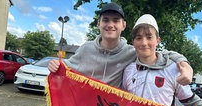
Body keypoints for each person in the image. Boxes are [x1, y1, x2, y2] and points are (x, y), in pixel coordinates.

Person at [48, 2, 193, 88]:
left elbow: (163, 54)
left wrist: (186, 67)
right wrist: (54, 64)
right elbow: (66, 65)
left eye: (116, 20)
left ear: (123, 25)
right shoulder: (86, 49)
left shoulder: (131, 52)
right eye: (106, 20)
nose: (110, 25)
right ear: (99, 24)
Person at [122, 14, 202, 106]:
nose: (144, 43)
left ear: (158, 40)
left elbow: (191, 100)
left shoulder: (173, 69)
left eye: (149, 37)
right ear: (133, 42)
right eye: (139, 38)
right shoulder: (129, 70)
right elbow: (123, 99)